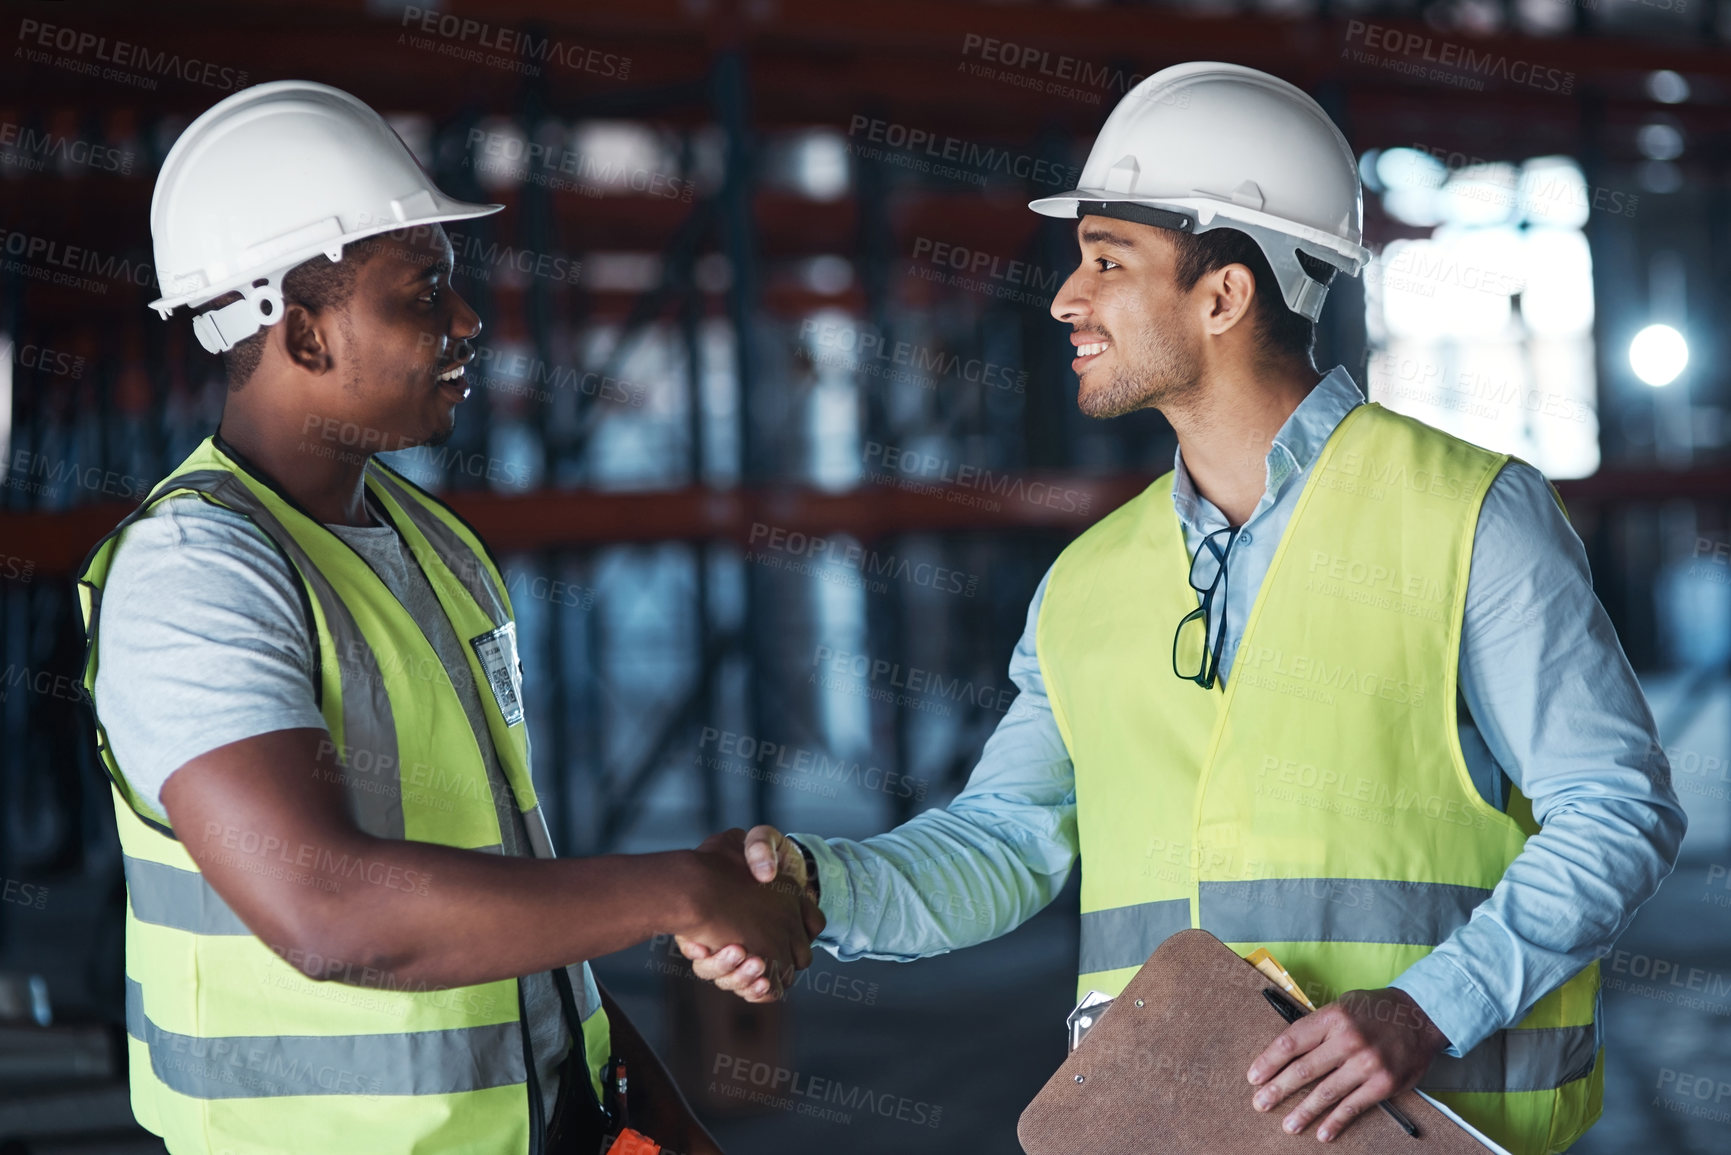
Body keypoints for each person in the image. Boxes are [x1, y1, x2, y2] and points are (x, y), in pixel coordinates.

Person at [679, 62, 1686, 1152]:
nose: (1067, 298)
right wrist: (817, 889)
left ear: (1224, 295)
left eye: (1107, 261)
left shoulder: (1471, 517)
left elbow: (1614, 810)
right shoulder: (1091, 580)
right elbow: (1006, 842)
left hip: (1427, 1133)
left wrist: (1428, 1009)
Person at [78, 80, 819, 1155]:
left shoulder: (435, 544)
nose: (467, 321)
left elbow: (510, 900)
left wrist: (646, 1109)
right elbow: (326, 912)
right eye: (422, 292)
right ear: (302, 332)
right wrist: (674, 892)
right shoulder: (196, 572)